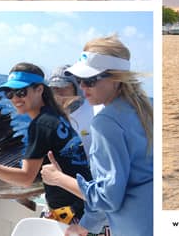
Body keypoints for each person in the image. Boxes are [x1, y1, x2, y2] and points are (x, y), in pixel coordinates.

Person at [41, 35, 153, 236]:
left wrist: (58, 178)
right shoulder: (144, 110)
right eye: (80, 80)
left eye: (90, 80)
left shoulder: (105, 122)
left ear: (116, 79)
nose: (83, 88)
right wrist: (87, 224)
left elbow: (108, 197)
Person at [0, 63, 91, 225]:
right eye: (10, 93)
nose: (15, 99)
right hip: (81, 209)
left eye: (21, 92)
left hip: (70, 216)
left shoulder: (41, 125)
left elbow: (25, 179)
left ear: (40, 90)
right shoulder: (56, 117)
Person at [48, 65, 102, 158]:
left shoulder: (97, 111)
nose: (59, 92)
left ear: (77, 88)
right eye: (54, 88)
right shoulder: (48, 116)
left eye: (64, 87)